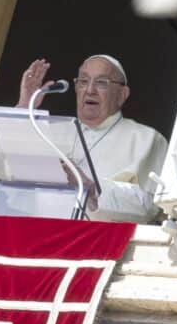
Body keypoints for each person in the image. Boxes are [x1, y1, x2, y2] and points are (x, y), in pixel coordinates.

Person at [16, 55, 168, 224]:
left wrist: (92, 189)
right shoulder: (49, 131)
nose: (90, 90)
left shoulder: (147, 139)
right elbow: (3, 171)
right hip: (40, 235)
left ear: (122, 94)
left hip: (103, 244)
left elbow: (152, 206)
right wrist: (24, 107)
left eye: (102, 82)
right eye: (83, 81)